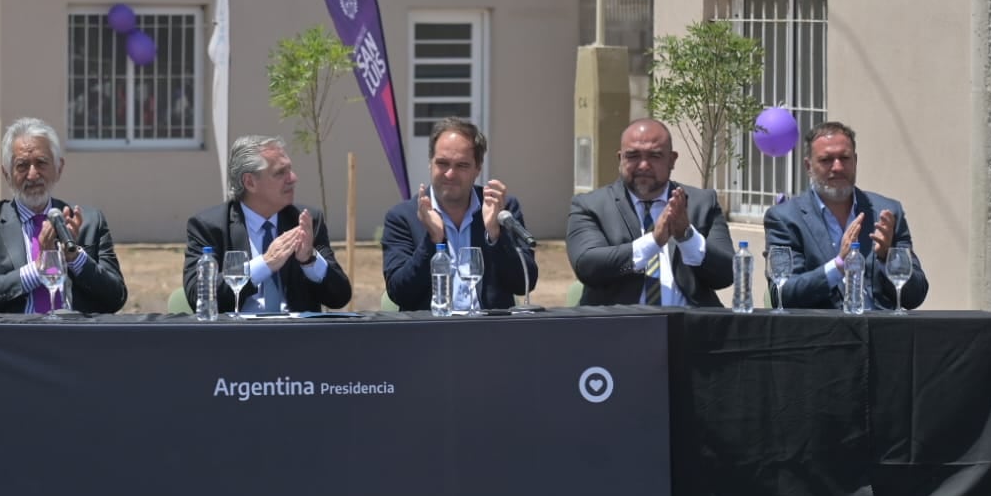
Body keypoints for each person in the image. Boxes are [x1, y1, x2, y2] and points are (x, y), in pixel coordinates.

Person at [0, 118, 127, 314]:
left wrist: (75, 258)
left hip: (75, 338)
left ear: (59, 168)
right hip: (13, 339)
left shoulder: (89, 221)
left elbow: (116, 298)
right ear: (6, 173)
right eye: (22, 165)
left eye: (41, 163)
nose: (32, 174)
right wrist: (39, 267)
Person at [565, 118, 734, 306]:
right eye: (633, 156)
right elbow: (587, 266)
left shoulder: (701, 203)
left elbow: (726, 274)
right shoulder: (590, 206)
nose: (643, 165)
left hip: (690, 329)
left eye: (655, 156)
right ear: (620, 159)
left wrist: (687, 237)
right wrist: (653, 241)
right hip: (618, 328)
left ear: (672, 160)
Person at [762, 121, 928, 310]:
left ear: (855, 161)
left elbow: (916, 296)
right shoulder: (785, 219)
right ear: (808, 166)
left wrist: (888, 258)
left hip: (884, 333)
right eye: (826, 160)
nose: (838, 167)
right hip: (823, 335)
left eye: (845, 158)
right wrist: (839, 265)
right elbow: (782, 294)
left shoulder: (886, 213)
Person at [381, 118, 537, 311]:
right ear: (430, 163)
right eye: (442, 163)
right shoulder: (403, 217)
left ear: (478, 168)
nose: (450, 174)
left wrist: (496, 235)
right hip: (429, 333)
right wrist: (432, 241)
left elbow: (523, 284)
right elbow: (399, 293)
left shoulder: (500, 209)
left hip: (489, 332)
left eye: (462, 165)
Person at [184, 135, 352, 313]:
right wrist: (265, 264)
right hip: (238, 337)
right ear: (249, 182)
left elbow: (339, 297)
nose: (293, 178)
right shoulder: (210, 226)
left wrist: (309, 260)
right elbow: (198, 296)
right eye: (280, 173)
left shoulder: (304, 222)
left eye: (290, 169)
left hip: (296, 336)